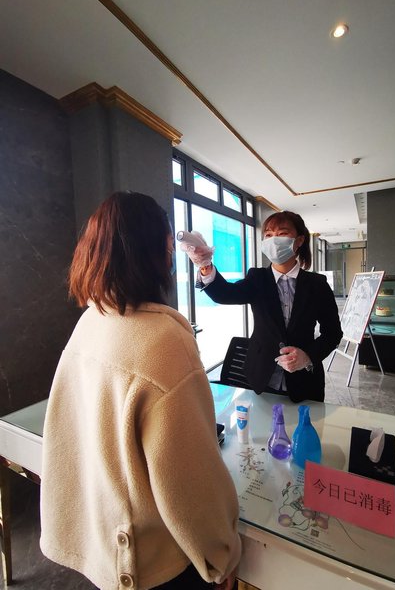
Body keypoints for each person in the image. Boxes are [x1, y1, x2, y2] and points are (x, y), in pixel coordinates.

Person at [40, 192, 241, 590]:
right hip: (156, 566)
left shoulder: (90, 321)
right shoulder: (166, 341)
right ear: (157, 253)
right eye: (169, 248)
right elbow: (189, 483)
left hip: (104, 544)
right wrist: (221, 557)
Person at [182, 211, 342, 403]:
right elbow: (225, 294)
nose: (274, 240)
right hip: (260, 378)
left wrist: (307, 356)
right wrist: (205, 264)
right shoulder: (257, 278)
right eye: (268, 234)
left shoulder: (317, 284)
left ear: (299, 240)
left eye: (282, 233)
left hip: (305, 380)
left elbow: (333, 333)